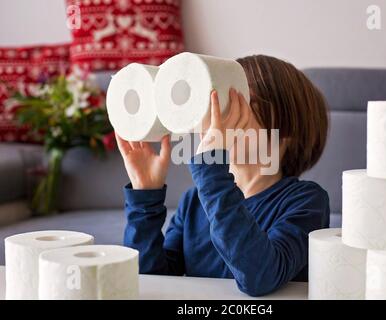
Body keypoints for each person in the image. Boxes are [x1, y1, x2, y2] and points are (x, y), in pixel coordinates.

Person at [117, 55, 330, 296]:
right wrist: (146, 195)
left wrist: (212, 169)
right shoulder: (195, 201)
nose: (221, 117)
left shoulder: (306, 201)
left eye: (242, 102)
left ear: (288, 127)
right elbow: (151, 280)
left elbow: (260, 277)